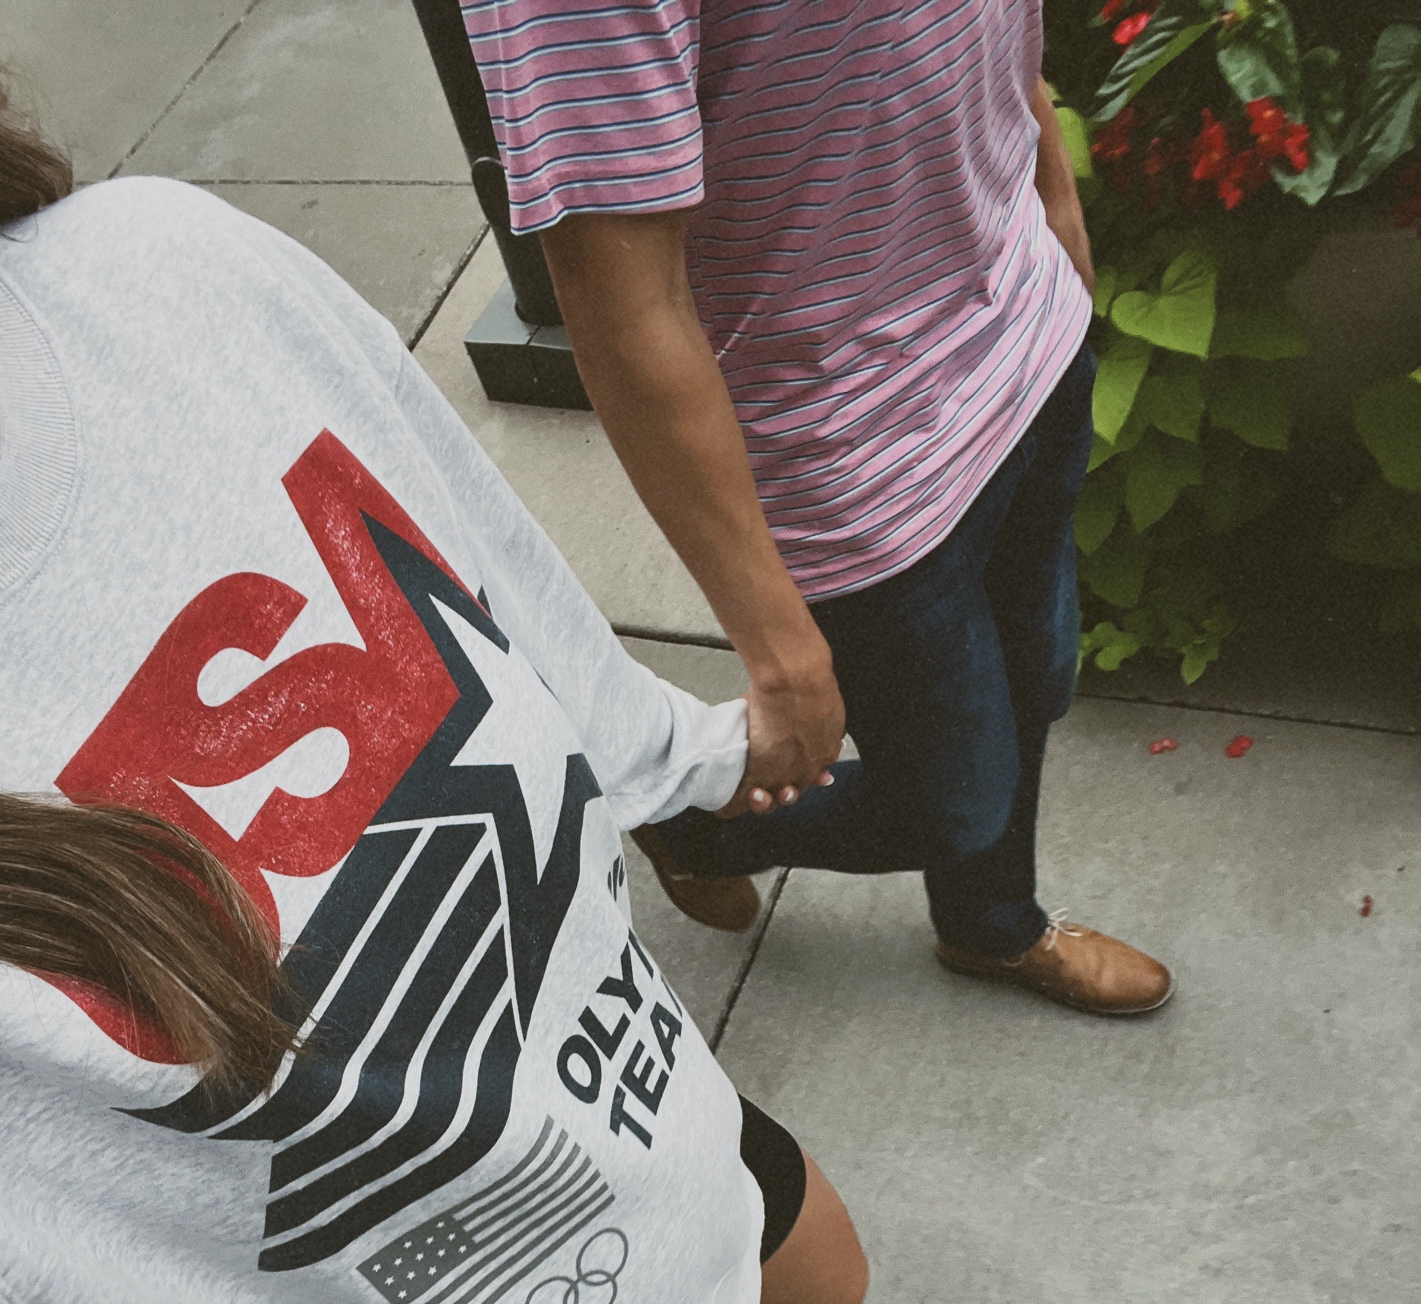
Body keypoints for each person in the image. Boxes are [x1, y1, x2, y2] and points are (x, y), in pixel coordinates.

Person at [0, 0, 898, 1304]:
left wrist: (700, 757)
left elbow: (494, 587)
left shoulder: (164, 280)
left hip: (633, 1103)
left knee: (823, 1280)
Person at [459, 0, 1175, 1012]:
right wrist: (774, 645)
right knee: (949, 798)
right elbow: (619, 297)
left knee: (1039, 676)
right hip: (851, 443)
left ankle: (990, 925)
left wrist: (1054, 196)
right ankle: (694, 824)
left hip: (1026, 329)